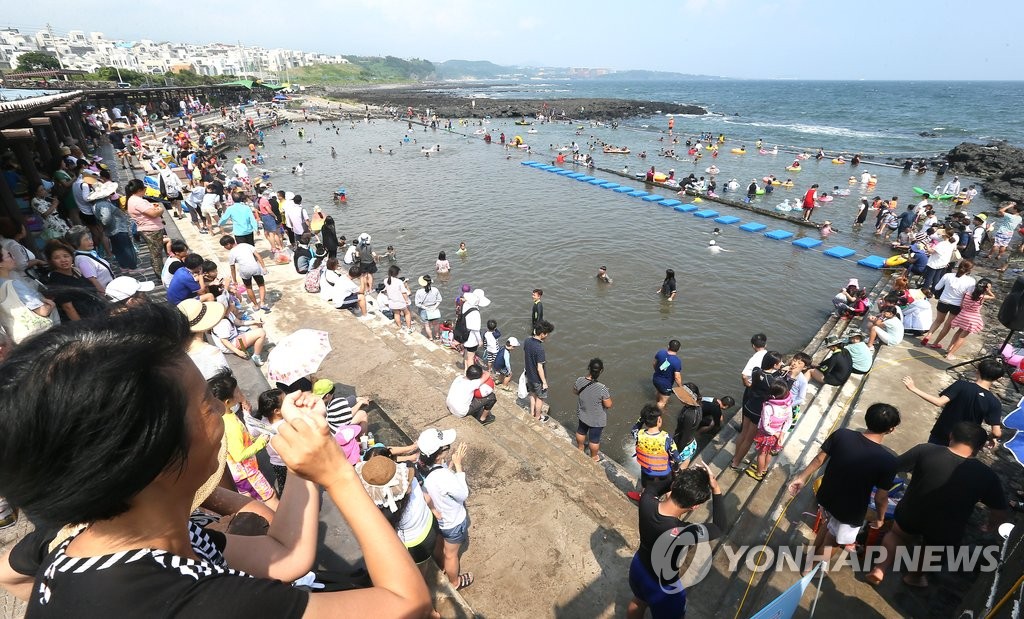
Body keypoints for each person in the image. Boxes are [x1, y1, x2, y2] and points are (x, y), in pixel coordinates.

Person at [0, 304, 432, 616]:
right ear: (149, 454)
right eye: (207, 403)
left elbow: (285, 553)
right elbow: (407, 603)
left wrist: (304, 448)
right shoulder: (194, 604)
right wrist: (338, 475)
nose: (222, 412)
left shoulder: (87, 532)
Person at [865, 423, 1009, 587]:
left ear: (951, 436)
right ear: (980, 447)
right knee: (932, 550)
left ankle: (880, 569)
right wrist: (990, 525)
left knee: (897, 535)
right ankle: (914, 577)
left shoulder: (926, 450)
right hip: (946, 526)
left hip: (911, 512)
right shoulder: (987, 476)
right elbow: (999, 512)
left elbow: (892, 467)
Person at [788, 403, 901, 572]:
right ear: (891, 429)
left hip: (826, 496)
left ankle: (811, 557)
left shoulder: (842, 435)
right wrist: (880, 518)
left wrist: (801, 478)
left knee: (828, 525)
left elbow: (819, 459)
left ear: (867, 418)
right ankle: (810, 569)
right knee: (834, 541)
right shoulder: (888, 461)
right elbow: (880, 497)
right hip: (850, 510)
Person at [626, 466, 725, 619]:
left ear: (673, 486)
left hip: (638, 568)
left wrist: (683, 476)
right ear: (694, 507)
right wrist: (716, 488)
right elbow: (719, 527)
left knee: (638, 601)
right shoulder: (684, 532)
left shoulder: (646, 501)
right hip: (663, 588)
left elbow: (657, 486)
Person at [208, 371, 278, 508]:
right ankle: (285, 522)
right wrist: (261, 442)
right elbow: (239, 455)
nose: (241, 392)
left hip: (240, 475)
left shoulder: (225, 417)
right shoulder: (231, 425)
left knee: (251, 504)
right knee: (271, 498)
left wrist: (252, 438)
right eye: (237, 391)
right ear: (227, 402)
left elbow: (238, 442)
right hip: (248, 474)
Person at [416, 429, 474, 590]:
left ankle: (440, 565)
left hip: (436, 517)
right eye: (446, 446)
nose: (449, 447)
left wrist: (448, 468)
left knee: (439, 542)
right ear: (438, 455)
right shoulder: (443, 477)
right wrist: (458, 465)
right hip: (452, 521)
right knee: (451, 555)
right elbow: (463, 494)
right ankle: (455, 582)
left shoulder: (420, 465)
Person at [902, 358, 1003, 446]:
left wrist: (913, 388)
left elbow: (939, 402)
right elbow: (997, 433)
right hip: (965, 441)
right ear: (997, 379)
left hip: (942, 433)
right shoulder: (994, 402)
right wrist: (990, 438)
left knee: (929, 455)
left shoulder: (961, 385)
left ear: (977, 371)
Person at [730, 351, 784, 471]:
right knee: (748, 439)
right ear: (774, 365)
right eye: (780, 362)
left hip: (749, 406)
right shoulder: (771, 381)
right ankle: (735, 463)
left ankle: (735, 457)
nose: (781, 363)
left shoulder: (756, 371)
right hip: (758, 411)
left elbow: (766, 375)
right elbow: (779, 388)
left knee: (743, 433)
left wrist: (779, 371)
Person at [42, 240, 106, 322]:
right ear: (51, 261)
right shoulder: (56, 280)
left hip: (98, 312)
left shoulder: (76, 271)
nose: (63, 260)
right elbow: (68, 308)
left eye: (66, 256)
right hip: (87, 319)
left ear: (72, 257)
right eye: (57, 258)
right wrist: (83, 326)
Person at [921, 260, 976, 349]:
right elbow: (968, 295)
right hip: (956, 305)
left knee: (938, 320)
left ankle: (929, 335)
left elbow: (937, 287)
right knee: (947, 325)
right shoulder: (971, 281)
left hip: (943, 301)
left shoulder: (948, 275)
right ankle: (935, 343)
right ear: (969, 270)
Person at [746, 380, 793, 481]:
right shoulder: (787, 406)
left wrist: (774, 433)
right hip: (778, 434)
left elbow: (765, 425)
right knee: (769, 453)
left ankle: (758, 474)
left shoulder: (768, 407)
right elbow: (789, 421)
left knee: (761, 454)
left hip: (766, 436)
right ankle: (764, 469)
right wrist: (781, 434)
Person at [125, 178, 166, 278]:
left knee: (155, 252)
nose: (145, 190)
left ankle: (160, 273)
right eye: (144, 188)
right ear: (139, 190)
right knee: (156, 254)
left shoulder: (133, 199)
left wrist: (152, 207)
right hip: (151, 229)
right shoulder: (138, 201)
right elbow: (153, 214)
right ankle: (160, 275)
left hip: (148, 228)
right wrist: (160, 209)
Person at [574, 358, 613, 462]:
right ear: (601, 371)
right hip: (596, 420)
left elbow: (575, 391)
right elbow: (608, 404)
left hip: (583, 414)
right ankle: (594, 457)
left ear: (589, 368)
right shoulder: (602, 388)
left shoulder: (579, 380)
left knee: (581, 431)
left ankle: (580, 448)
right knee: (594, 440)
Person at [945, 278, 995, 359]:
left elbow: (961, 305)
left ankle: (949, 348)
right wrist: (989, 291)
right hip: (972, 319)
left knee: (958, 332)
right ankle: (950, 354)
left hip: (962, 315)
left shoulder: (967, 294)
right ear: (986, 288)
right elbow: (993, 296)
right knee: (962, 337)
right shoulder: (982, 297)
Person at [220, 235, 270, 311]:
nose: (225, 248)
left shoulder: (231, 253)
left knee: (249, 287)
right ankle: (262, 303)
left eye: (224, 246)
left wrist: (234, 280)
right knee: (261, 285)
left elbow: (232, 268)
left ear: (228, 244)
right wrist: (264, 267)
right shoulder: (246, 245)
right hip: (255, 267)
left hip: (244, 270)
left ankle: (256, 305)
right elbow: (258, 256)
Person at [67, 226, 114, 294]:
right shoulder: (83, 259)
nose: (90, 241)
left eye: (90, 238)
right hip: (107, 294)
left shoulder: (89, 254)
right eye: (86, 240)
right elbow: (93, 281)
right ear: (76, 243)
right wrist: (105, 295)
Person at [524, 319, 554, 422]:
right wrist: (544, 382)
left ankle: (532, 412)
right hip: (537, 379)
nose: (547, 336)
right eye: (547, 334)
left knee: (532, 394)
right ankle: (537, 417)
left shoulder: (527, 341)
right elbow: (539, 368)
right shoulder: (539, 349)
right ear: (542, 334)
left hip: (529, 375)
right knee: (540, 398)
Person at [987, 201, 1020, 271]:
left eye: (1012, 208)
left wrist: (1009, 205)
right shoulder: (1020, 218)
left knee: (996, 244)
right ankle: (999, 255)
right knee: (1004, 245)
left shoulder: (1010, 216)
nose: (1011, 209)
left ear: (1015, 210)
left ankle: (989, 255)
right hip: (1010, 233)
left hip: (1002, 231)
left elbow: (1001, 211)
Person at [652, 339, 684, 410]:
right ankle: (657, 413)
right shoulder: (676, 361)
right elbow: (677, 377)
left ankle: (657, 402)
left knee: (659, 392)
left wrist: (657, 372)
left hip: (655, 379)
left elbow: (654, 364)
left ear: (668, 346)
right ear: (678, 349)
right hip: (666, 385)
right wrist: (680, 387)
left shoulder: (660, 353)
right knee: (662, 403)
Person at [414, 275, 442, 340]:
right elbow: (439, 300)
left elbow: (417, 304)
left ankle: (431, 338)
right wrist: (434, 307)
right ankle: (437, 336)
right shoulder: (435, 289)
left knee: (427, 325)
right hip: (434, 309)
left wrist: (426, 308)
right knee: (436, 324)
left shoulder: (419, 292)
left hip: (424, 310)